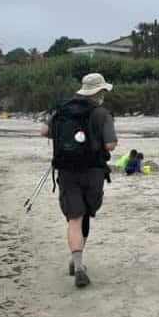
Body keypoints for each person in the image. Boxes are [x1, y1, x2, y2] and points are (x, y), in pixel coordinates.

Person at [41, 73, 117, 289]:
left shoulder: (61, 108)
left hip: (66, 170)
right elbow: (111, 144)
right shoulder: (102, 113)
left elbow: (44, 131)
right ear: (99, 92)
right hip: (93, 171)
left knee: (74, 217)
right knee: (86, 215)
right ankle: (78, 263)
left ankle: (77, 263)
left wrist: (67, 140)